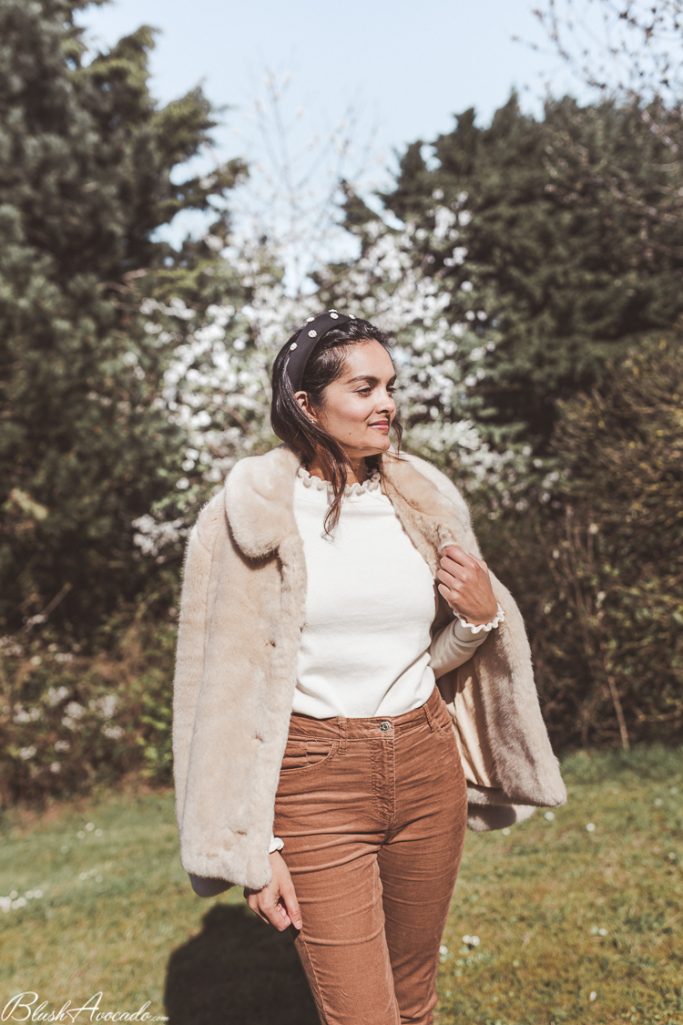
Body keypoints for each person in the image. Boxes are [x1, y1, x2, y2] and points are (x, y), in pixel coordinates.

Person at [171, 309, 567, 1025]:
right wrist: (254, 847)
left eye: (390, 386)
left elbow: (422, 660)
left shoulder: (419, 501)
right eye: (363, 388)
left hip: (425, 763)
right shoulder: (243, 518)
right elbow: (216, 692)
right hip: (313, 783)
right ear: (306, 404)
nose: (386, 403)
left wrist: (478, 620)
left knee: (413, 997)